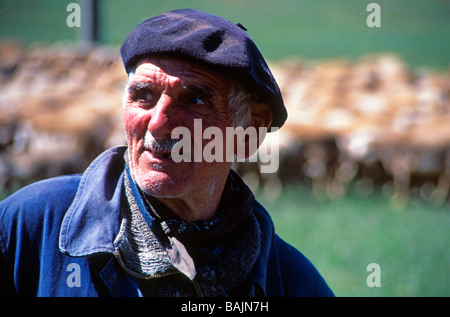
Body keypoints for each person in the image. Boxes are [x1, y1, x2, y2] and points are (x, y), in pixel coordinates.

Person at [0, 9, 334, 297]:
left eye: (195, 100)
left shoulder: (291, 282)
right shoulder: (32, 227)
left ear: (250, 131)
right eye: (143, 95)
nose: (159, 124)